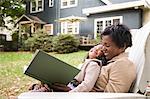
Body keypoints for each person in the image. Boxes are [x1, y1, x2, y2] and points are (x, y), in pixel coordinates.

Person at [30, 24, 136, 92]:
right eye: (102, 44)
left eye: (107, 45)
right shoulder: (108, 61)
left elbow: (111, 97)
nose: (103, 49)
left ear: (122, 46)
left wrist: (70, 92)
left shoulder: (123, 65)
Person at [29, 44, 107, 92]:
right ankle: (41, 87)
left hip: (73, 88)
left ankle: (42, 89)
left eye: (100, 50)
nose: (96, 48)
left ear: (102, 56)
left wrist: (71, 91)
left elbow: (87, 85)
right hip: (70, 84)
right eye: (95, 47)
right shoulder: (85, 63)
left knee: (51, 85)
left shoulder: (94, 65)